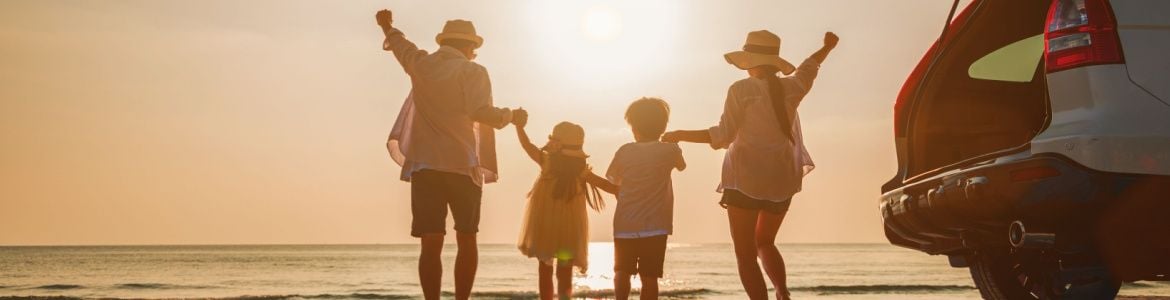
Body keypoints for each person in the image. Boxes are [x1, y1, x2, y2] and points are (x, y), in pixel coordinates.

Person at [661, 30, 839, 300]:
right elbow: (810, 66)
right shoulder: (794, 86)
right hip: (782, 180)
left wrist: (680, 134)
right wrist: (827, 47)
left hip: (745, 179)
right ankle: (781, 291)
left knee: (745, 255)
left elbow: (723, 135)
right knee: (765, 242)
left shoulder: (741, 90)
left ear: (750, 61)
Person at [376, 9, 529, 300]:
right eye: (474, 49)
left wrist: (386, 25)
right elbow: (480, 113)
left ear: (445, 41)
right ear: (469, 47)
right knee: (467, 238)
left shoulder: (421, 63)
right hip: (462, 165)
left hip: (425, 166)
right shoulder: (473, 71)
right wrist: (511, 115)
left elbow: (400, 44)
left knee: (431, 242)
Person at [587, 97, 687, 300]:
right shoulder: (670, 150)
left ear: (634, 127)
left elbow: (614, 181)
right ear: (663, 126)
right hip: (657, 225)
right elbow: (682, 165)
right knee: (650, 277)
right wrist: (672, 142)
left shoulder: (625, 151)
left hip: (626, 224)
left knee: (622, 271)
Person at [514, 119, 605, 300]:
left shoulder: (547, 162)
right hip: (568, 231)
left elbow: (526, 145)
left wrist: (519, 126)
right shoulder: (580, 171)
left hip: (545, 228)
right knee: (564, 270)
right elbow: (605, 185)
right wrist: (622, 190)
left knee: (545, 268)